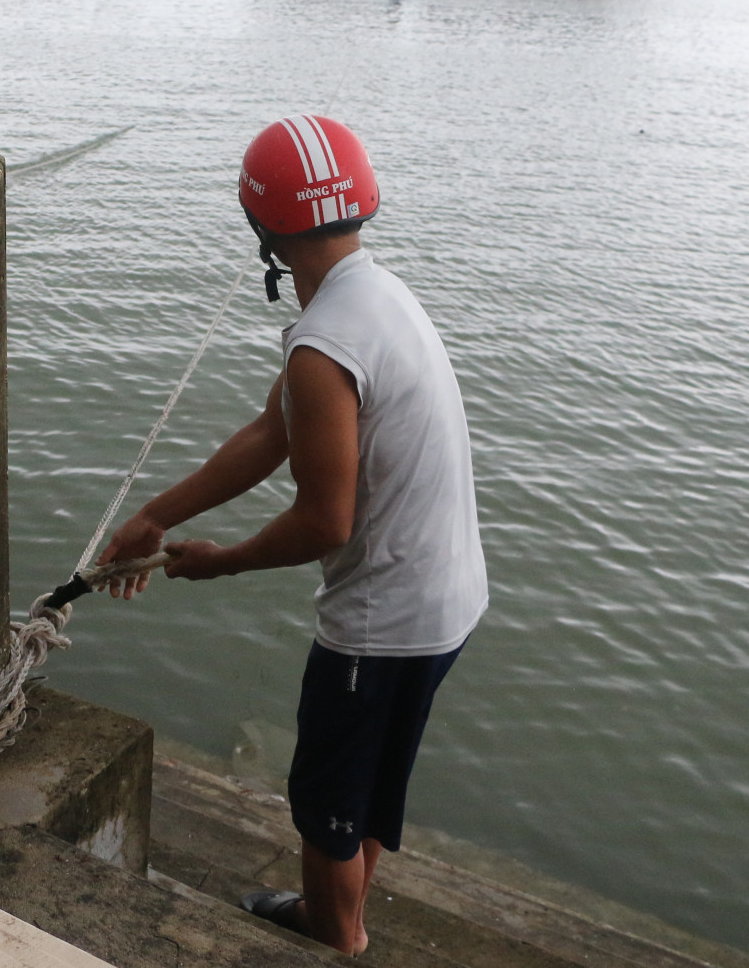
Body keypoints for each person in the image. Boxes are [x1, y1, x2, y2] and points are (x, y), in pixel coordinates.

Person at [97, 115, 488, 957]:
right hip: (448, 598)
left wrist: (220, 561)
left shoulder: (325, 344)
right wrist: (159, 515)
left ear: (262, 228)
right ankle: (336, 913)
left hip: (380, 625)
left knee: (325, 804)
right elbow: (269, 431)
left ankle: (336, 939)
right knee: (373, 784)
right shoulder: (374, 295)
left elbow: (325, 521)